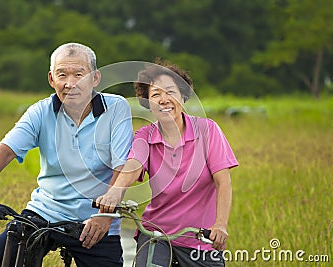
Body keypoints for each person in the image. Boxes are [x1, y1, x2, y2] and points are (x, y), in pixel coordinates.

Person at [0, 42, 133, 267]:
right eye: (62, 75)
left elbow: (122, 166)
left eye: (79, 74)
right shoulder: (39, 112)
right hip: (46, 211)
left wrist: (105, 216)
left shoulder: (116, 108)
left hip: (95, 219)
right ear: (52, 80)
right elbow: (5, 151)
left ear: (95, 78)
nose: (70, 83)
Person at [96, 60, 238, 266]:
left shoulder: (208, 130)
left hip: (200, 238)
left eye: (170, 92)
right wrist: (114, 192)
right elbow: (133, 165)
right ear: (147, 103)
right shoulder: (145, 135)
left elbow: (223, 182)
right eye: (155, 95)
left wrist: (221, 225)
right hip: (156, 234)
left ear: (183, 95)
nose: (164, 100)